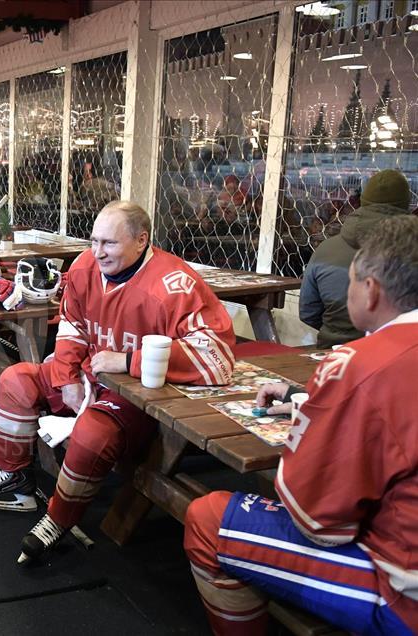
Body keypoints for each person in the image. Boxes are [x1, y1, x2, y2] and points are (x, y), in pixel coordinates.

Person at [184, 215, 418, 635]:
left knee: (207, 519)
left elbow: (317, 520)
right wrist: (309, 404)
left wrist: (321, 419)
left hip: (404, 599)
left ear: (371, 290)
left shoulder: (361, 363)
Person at [0, 201, 236, 564]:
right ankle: (16, 480)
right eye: (93, 241)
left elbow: (217, 357)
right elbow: (72, 325)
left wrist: (129, 361)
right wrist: (65, 377)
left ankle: (59, 518)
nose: (97, 252)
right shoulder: (84, 266)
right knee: (16, 380)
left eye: (108, 243)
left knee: (92, 433)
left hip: (136, 397)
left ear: (141, 241)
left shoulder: (176, 284)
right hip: (87, 375)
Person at [300, 169, 412, 347]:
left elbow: (308, 312)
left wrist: (339, 332)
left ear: (362, 202)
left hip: (331, 352)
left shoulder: (326, 249)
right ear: (407, 204)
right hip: (398, 355)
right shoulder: (411, 253)